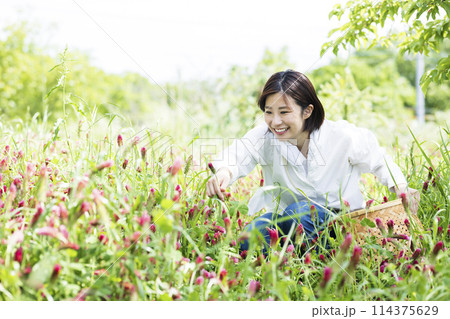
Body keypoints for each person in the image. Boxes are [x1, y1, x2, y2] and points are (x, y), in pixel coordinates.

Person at [206, 70, 420, 254]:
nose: (275, 122)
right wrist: (224, 172)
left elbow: (378, 158)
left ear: (307, 111)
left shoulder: (341, 135)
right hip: (286, 219)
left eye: (284, 112)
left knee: (299, 213)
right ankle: (282, 267)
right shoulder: (264, 136)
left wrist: (400, 186)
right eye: (268, 113)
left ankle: (311, 261)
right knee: (249, 238)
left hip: (340, 221)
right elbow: (239, 152)